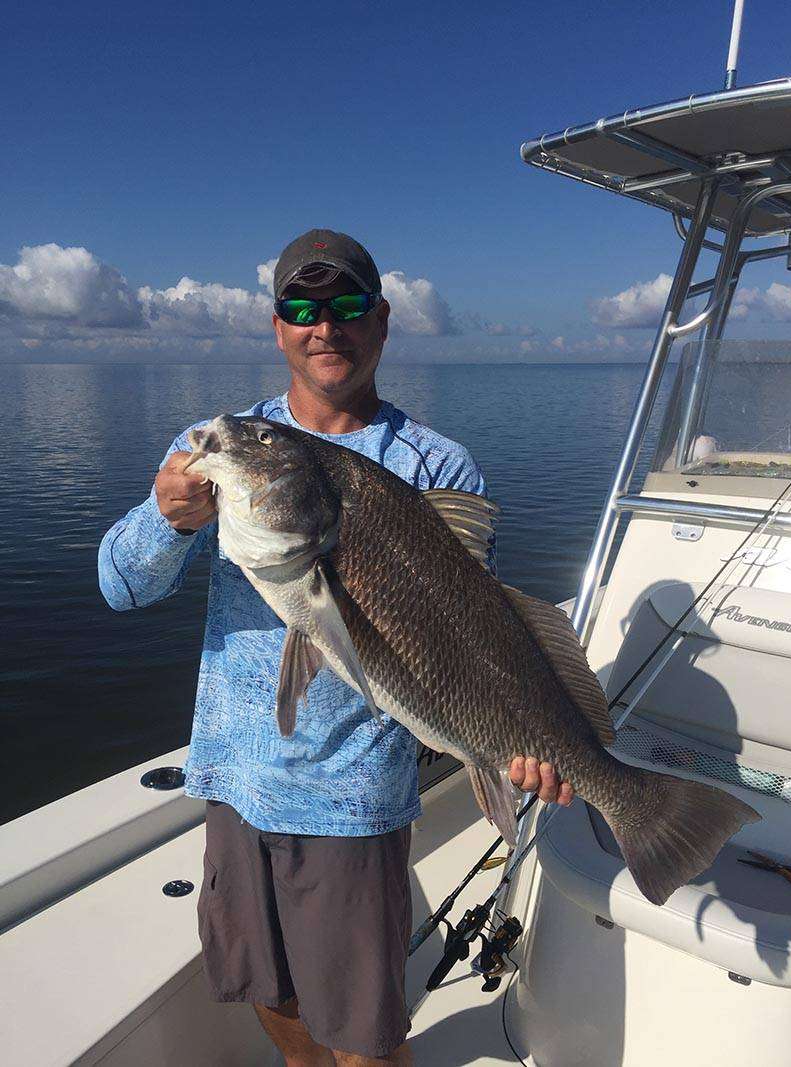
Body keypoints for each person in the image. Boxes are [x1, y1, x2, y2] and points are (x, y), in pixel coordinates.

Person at [98, 229, 573, 1066]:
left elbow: (481, 638)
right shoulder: (228, 448)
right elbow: (121, 585)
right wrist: (164, 520)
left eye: (348, 306)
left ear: (382, 322)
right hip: (235, 785)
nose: (327, 326)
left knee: (362, 1040)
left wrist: (516, 744)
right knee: (271, 1002)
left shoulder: (438, 466)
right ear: (277, 325)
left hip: (353, 806)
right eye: (303, 309)